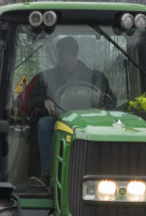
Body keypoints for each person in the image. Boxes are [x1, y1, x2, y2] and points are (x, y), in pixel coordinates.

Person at [26, 36, 115, 182]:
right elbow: (31, 101)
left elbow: (111, 100)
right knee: (43, 124)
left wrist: (104, 106)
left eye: (62, 52)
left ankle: (102, 173)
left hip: (91, 122)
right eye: (58, 52)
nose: (59, 56)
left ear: (72, 53)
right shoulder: (47, 77)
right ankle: (47, 174)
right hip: (58, 120)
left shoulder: (96, 77)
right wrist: (44, 100)